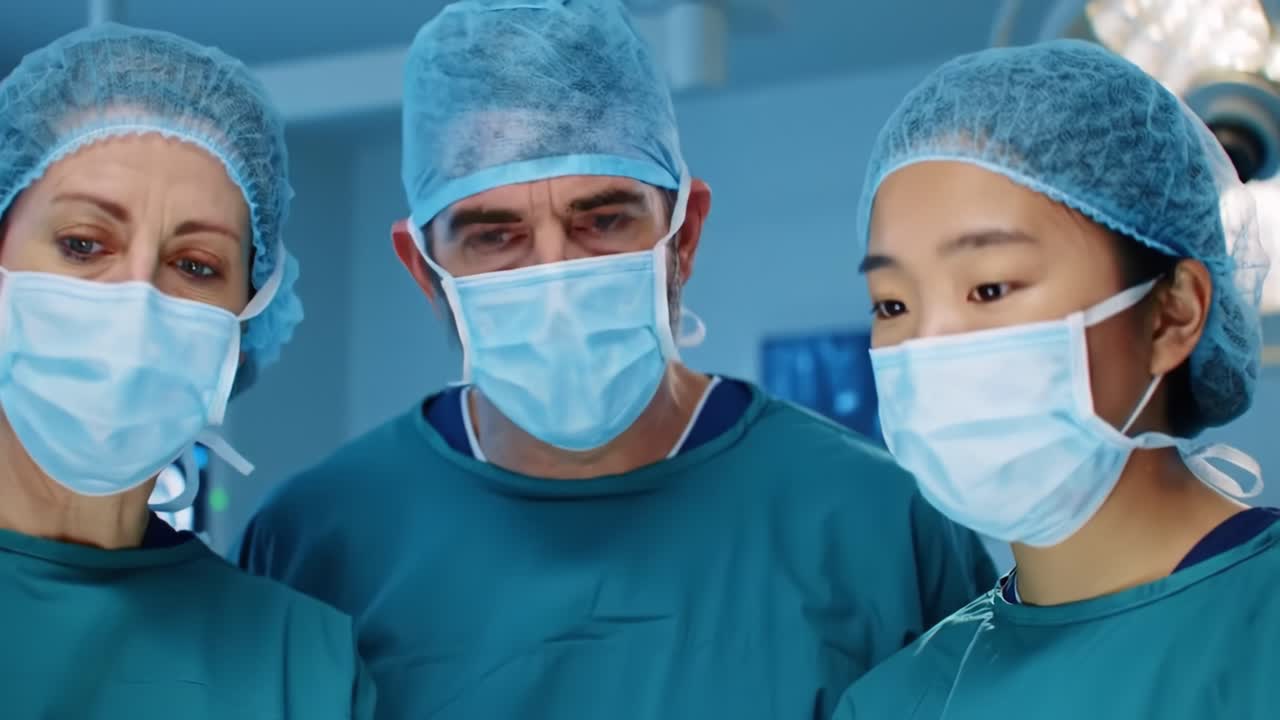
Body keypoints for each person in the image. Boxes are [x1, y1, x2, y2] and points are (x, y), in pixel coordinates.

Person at [234, 1, 996, 718]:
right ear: (423, 270)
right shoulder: (314, 542)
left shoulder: (879, 526)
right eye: (494, 236)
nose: (556, 274)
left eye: (602, 221)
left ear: (684, 235)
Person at [834, 39, 1278, 719]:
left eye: (988, 288)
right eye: (893, 304)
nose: (930, 346)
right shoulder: (899, 700)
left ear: (1172, 314)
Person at [0, 23, 375, 719]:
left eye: (197, 266)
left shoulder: (298, 661)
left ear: (248, 315)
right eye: (84, 245)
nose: (136, 302)